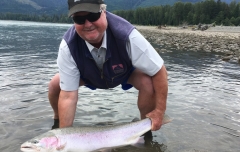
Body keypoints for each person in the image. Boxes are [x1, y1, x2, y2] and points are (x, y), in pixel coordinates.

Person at [48, 0, 168, 131]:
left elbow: (158, 70)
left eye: (93, 16)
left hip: (124, 73)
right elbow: (68, 96)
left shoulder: (128, 35)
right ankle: (58, 123)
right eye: (79, 19)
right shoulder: (67, 46)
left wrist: (159, 111)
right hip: (88, 76)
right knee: (55, 84)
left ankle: (146, 127)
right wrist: (64, 139)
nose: (88, 24)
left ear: (103, 11)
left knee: (147, 82)